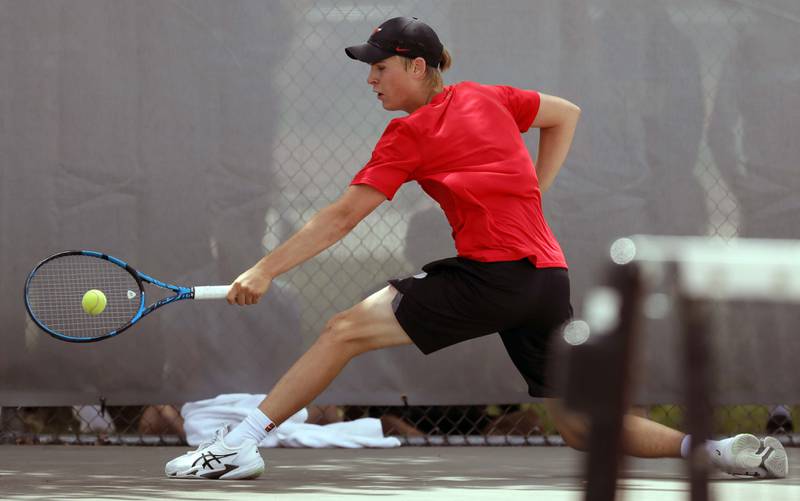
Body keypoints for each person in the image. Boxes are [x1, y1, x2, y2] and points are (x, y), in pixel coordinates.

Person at [164, 17, 788, 480]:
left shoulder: (407, 132)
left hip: (492, 277)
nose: (372, 79)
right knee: (576, 422)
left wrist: (264, 268)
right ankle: (712, 451)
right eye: (369, 68)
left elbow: (342, 216)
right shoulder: (488, 97)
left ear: (417, 66)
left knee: (341, 330)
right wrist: (536, 193)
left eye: (381, 66)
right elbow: (564, 113)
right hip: (547, 278)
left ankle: (237, 444)